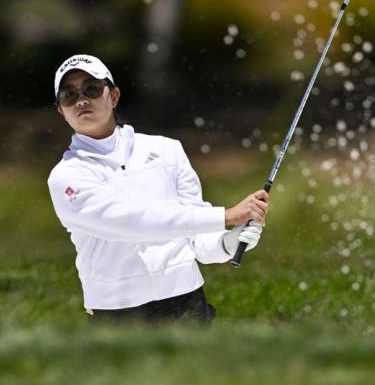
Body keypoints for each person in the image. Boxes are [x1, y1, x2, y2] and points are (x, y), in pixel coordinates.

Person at [47, 54, 269, 323]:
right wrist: (226, 216)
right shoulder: (66, 176)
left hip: (188, 305)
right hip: (116, 316)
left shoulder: (167, 150)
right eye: (69, 95)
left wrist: (228, 242)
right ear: (61, 110)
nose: (81, 100)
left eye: (92, 89)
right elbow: (131, 222)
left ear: (114, 95)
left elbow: (196, 237)